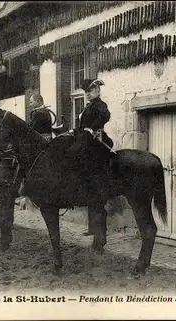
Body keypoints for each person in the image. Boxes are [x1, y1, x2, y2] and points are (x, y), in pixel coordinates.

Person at [67, 78, 114, 236]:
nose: (87, 93)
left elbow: (105, 116)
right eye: (86, 91)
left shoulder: (100, 105)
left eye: (91, 91)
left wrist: (92, 128)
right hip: (86, 138)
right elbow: (83, 124)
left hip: (96, 139)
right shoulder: (89, 106)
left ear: (98, 90)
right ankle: (91, 226)